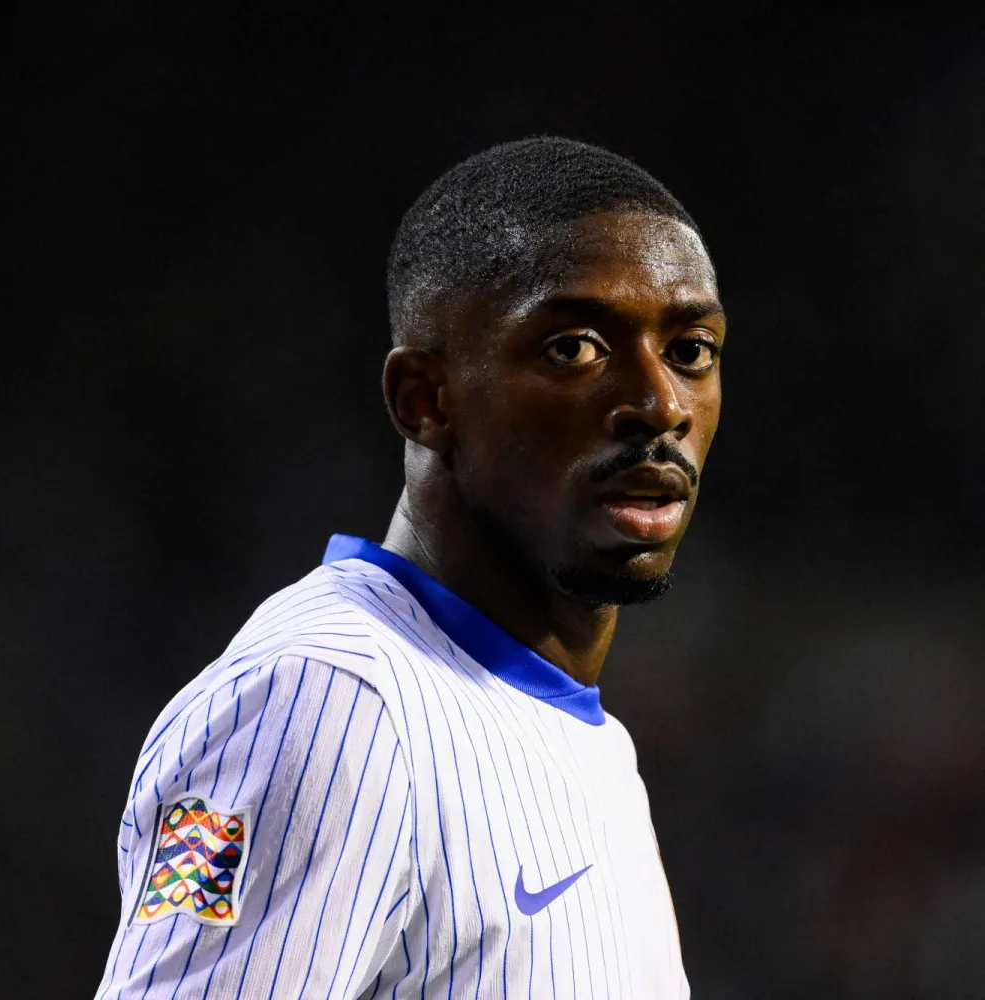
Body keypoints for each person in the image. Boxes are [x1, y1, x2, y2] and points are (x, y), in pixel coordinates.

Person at [95, 136, 722, 998]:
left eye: (691, 350)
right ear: (425, 401)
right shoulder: (329, 701)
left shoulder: (585, 741)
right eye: (575, 347)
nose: (659, 403)